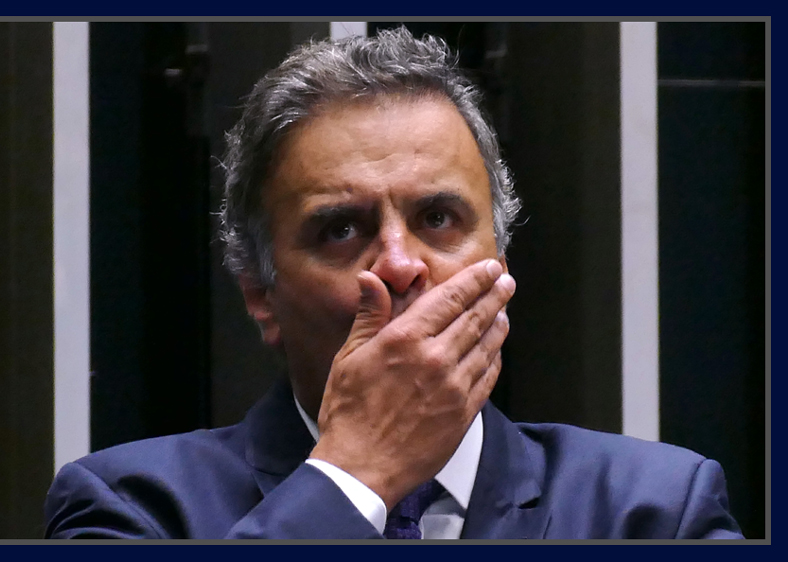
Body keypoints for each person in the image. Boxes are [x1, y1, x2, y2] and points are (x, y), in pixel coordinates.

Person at [44, 27, 744, 540]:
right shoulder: (132, 507)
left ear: (499, 265)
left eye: (438, 218)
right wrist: (355, 473)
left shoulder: (653, 511)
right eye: (342, 229)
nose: (401, 263)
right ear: (260, 293)